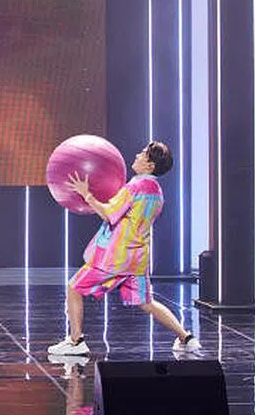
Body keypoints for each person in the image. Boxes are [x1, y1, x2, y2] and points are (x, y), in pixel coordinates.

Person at [48, 140, 201, 356]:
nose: (137, 155)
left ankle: (76, 341)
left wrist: (86, 194)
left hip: (114, 257)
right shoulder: (157, 192)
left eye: (143, 154)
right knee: (146, 303)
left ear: (150, 165)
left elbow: (108, 214)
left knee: (74, 288)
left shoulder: (134, 187)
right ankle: (186, 338)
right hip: (137, 259)